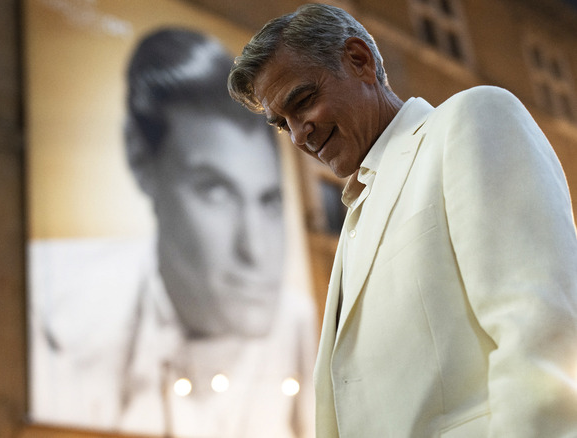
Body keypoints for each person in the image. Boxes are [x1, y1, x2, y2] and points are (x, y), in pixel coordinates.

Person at [228, 3, 577, 437]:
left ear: (359, 60)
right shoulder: (355, 216)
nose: (299, 135)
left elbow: (542, 332)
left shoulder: (473, 117)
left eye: (303, 101)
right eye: (283, 124)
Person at [29, 28, 316, 438]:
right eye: (215, 192)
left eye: (268, 201)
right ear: (140, 160)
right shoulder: (50, 301)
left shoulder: (299, 326)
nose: (255, 250)